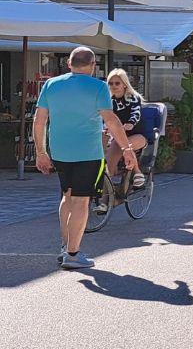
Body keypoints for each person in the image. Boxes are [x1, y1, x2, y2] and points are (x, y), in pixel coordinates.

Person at [32, 46, 137, 269]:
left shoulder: (51, 84)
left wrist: (41, 153)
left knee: (66, 197)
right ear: (92, 66)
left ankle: (65, 246)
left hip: (59, 152)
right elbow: (111, 121)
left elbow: (39, 121)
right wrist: (127, 150)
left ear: (69, 64)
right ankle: (72, 254)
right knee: (81, 201)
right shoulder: (99, 87)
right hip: (88, 153)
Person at [103, 68, 147, 190]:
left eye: (117, 83)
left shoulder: (133, 97)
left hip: (137, 135)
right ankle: (106, 196)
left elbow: (136, 113)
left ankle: (137, 172)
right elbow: (105, 119)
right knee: (107, 160)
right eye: (110, 83)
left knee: (126, 145)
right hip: (118, 137)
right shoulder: (108, 101)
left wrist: (130, 123)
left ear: (124, 84)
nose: (114, 86)